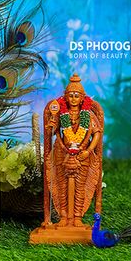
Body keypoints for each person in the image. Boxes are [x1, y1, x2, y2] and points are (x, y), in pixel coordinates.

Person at [43, 74, 103, 228]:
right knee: (61, 185)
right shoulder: (61, 113)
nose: (74, 99)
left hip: (83, 154)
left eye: (77, 96)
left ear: (83, 98)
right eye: (70, 95)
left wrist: (88, 151)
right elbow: (52, 131)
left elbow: (97, 133)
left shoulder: (88, 115)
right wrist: (51, 125)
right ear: (66, 97)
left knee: (80, 186)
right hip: (62, 153)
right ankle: (63, 215)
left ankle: (77, 216)